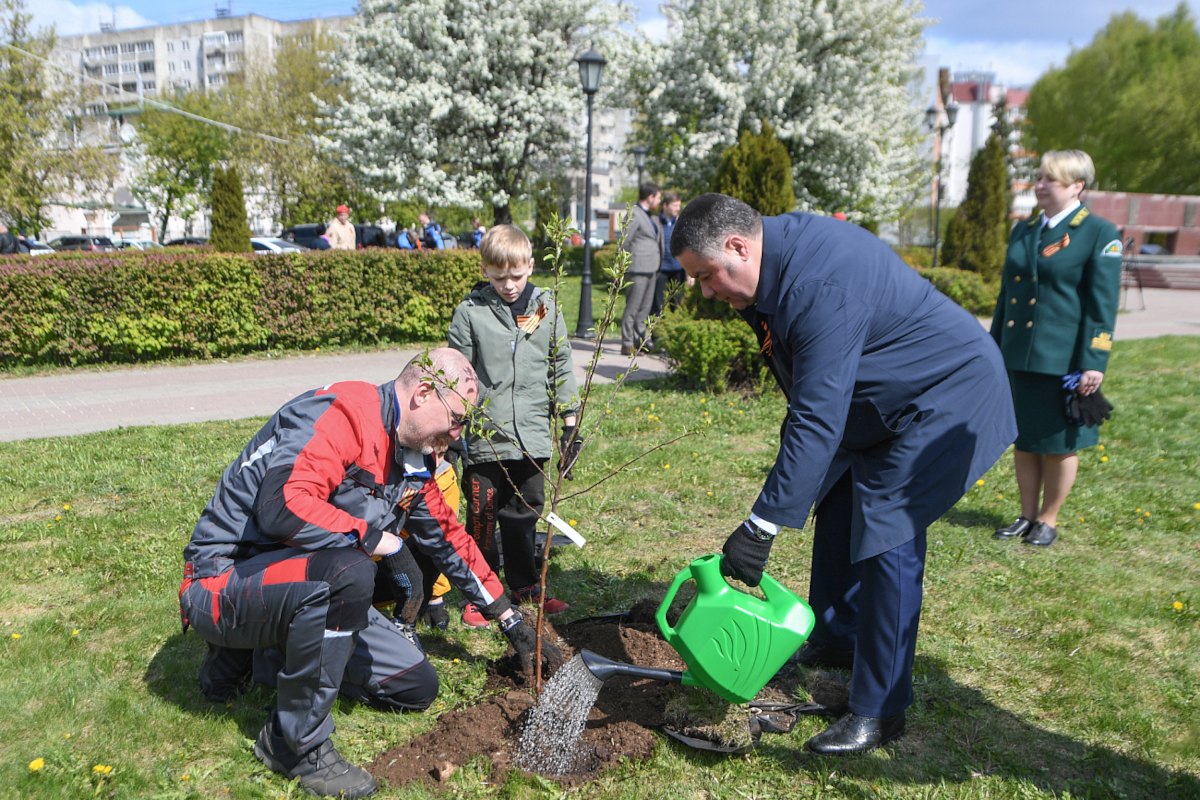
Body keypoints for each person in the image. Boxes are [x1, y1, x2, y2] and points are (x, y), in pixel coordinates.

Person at [671, 193, 1016, 756]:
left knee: (888, 534)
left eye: (707, 276)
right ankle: (837, 638)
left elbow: (817, 416)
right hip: (878, 403)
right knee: (835, 495)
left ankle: (881, 710)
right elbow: (807, 396)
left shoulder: (820, 284)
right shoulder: (770, 268)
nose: (706, 292)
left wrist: (761, 527)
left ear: (739, 246)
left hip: (946, 396)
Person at [178, 349, 560, 798]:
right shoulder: (343, 413)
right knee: (350, 571)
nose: (458, 434)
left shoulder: (415, 457)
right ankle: (294, 741)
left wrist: (510, 620)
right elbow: (281, 506)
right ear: (422, 393)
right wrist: (376, 538)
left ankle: (267, 653)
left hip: (303, 579)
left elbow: (450, 539)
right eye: (456, 419)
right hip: (223, 578)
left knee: (416, 686)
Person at [448, 225, 579, 629]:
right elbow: (456, 371)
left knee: (524, 515)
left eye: (516, 276)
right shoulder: (471, 311)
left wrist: (569, 422)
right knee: (482, 517)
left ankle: (524, 585)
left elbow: (560, 365)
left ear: (530, 267)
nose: (508, 285)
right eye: (498, 276)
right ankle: (482, 594)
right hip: (486, 437)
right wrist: (452, 428)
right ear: (485, 269)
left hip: (532, 436)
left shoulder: (544, 308)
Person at [990, 150, 1122, 548]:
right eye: (1040, 177)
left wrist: (1093, 361)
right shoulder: (1026, 230)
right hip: (1019, 352)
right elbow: (1007, 297)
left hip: (1063, 358)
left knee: (1060, 441)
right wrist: (992, 349)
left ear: (1077, 186)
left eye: (1051, 179)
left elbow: (1103, 305)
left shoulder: (1099, 233)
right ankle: (1026, 515)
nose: (1040, 185)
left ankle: (1048, 519)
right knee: (1026, 437)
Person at [619, 183, 663, 355]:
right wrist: (623, 265)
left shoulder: (651, 217)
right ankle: (627, 342)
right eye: (658, 197)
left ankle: (640, 341)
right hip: (637, 268)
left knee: (644, 309)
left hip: (652, 268)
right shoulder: (634, 214)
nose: (659, 201)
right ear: (650, 197)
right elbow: (624, 241)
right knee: (633, 306)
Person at [650, 191, 690, 316]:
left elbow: (687, 247)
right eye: (675, 205)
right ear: (665, 205)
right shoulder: (654, 221)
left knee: (677, 303)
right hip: (661, 270)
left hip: (678, 269)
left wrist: (689, 274)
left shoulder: (681, 222)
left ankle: (674, 329)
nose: (678, 209)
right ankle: (656, 334)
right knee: (658, 304)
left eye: (679, 205)